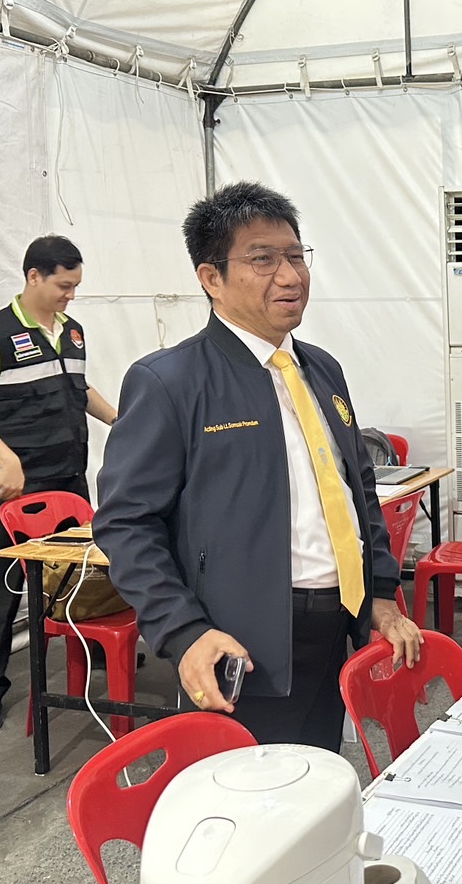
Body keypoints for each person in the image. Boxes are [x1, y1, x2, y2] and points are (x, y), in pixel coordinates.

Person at [95, 181, 422, 748]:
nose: (291, 276)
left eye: (296, 256)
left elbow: (357, 488)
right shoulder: (170, 382)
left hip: (337, 624)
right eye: (263, 259)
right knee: (251, 787)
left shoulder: (322, 370)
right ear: (211, 278)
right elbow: (126, 522)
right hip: (240, 642)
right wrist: (184, 631)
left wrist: (382, 593)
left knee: (318, 770)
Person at [0, 236, 118, 734]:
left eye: (76, 286)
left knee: (79, 570)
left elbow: (77, 389)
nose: (71, 295)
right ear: (34, 276)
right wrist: (6, 459)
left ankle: (88, 649)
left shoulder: (73, 332)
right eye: (64, 285)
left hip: (69, 473)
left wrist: (120, 420)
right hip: (17, 485)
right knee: (5, 584)